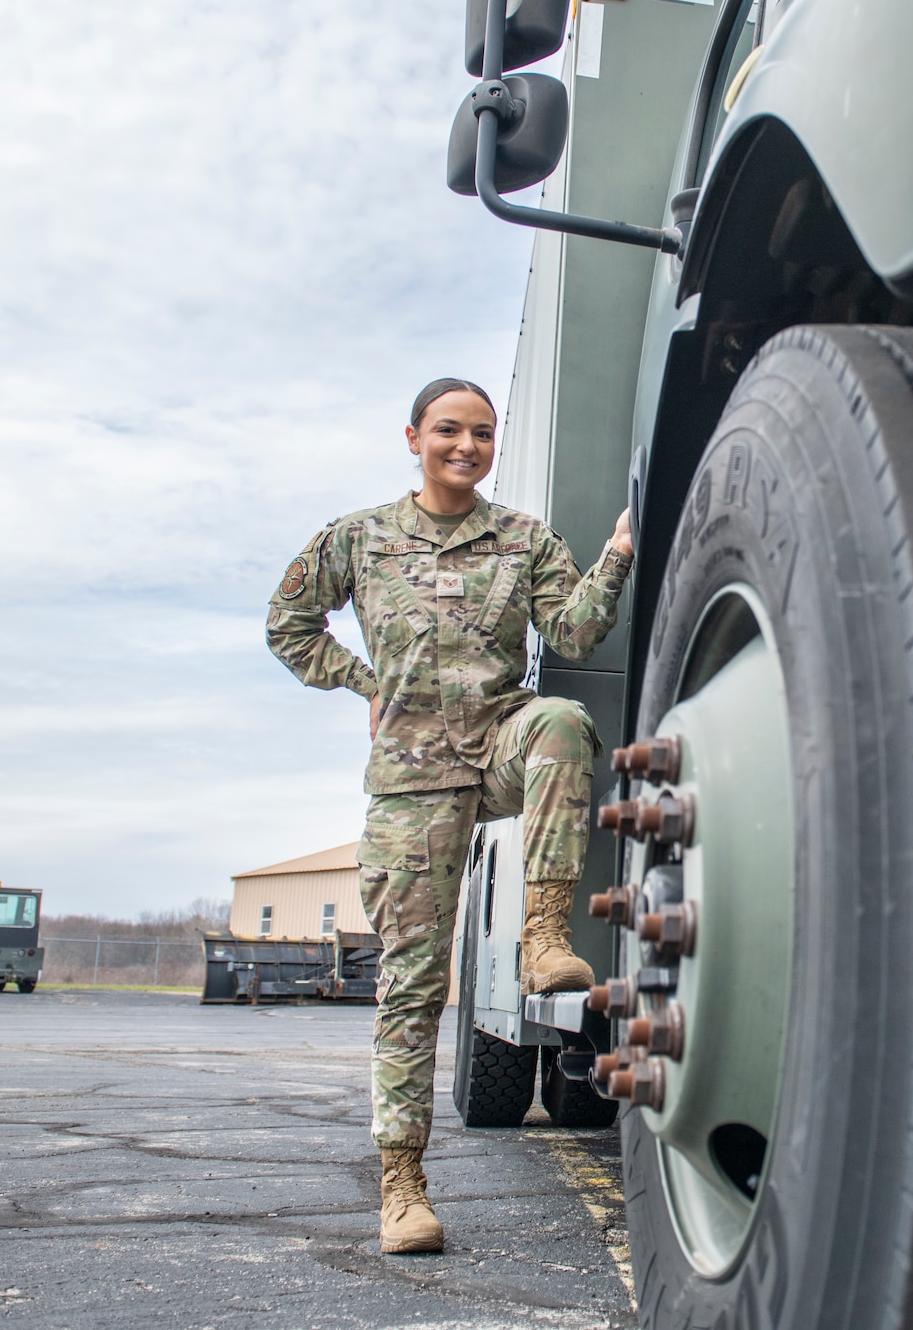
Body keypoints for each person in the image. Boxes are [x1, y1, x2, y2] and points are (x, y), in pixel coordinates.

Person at [266, 377, 633, 1254]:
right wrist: (364, 682)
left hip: (498, 741)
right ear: (413, 436)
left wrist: (618, 552)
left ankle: (543, 937)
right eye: (447, 431)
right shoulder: (358, 540)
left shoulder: (522, 540)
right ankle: (404, 1188)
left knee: (562, 721)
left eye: (481, 434)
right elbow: (289, 624)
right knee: (413, 985)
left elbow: (574, 636)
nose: (465, 447)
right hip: (411, 778)